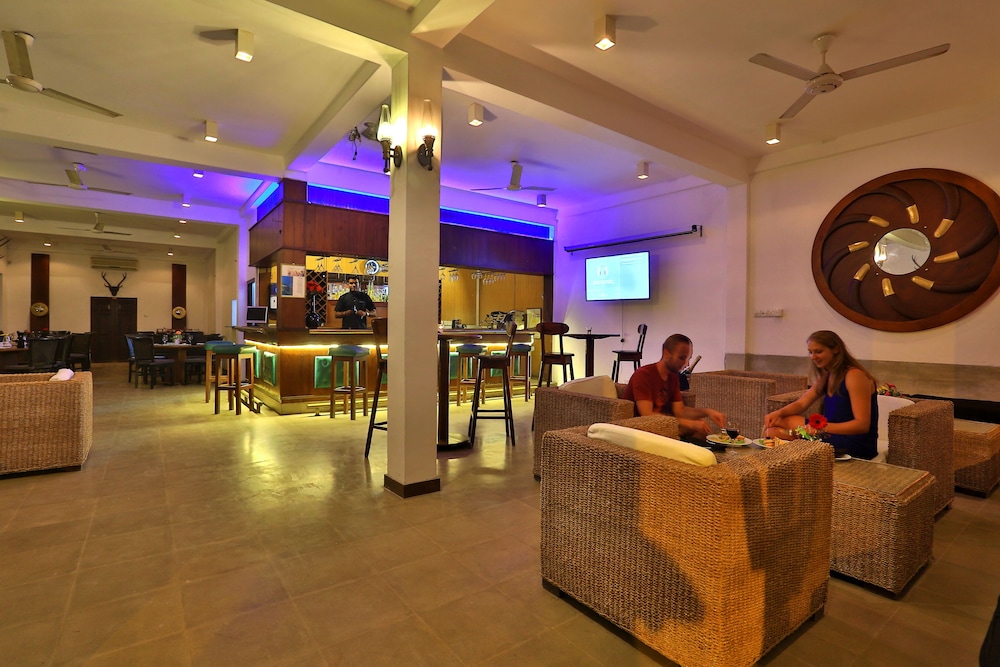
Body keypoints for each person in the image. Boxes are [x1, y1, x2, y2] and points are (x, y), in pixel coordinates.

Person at [764, 330, 879, 459]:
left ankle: (797, 459)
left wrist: (821, 428)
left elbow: (861, 425)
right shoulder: (827, 374)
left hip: (854, 443)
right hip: (830, 434)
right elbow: (801, 403)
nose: (813, 357)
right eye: (810, 352)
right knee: (775, 425)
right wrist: (778, 413)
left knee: (773, 432)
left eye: (818, 352)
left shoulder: (854, 375)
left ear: (836, 349)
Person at [623, 333, 725, 439]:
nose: (687, 363)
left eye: (688, 358)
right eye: (682, 358)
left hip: (662, 425)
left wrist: (708, 412)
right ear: (666, 353)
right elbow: (647, 414)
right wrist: (688, 423)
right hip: (639, 428)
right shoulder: (644, 374)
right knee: (693, 426)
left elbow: (680, 411)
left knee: (700, 426)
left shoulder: (673, 376)